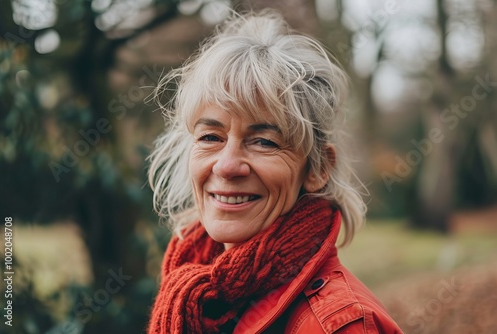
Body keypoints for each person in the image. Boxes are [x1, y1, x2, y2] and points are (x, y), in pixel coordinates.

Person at [146, 10, 403, 334]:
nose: (227, 166)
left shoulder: (338, 325)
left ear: (318, 167)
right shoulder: (195, 289)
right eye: (211, 137)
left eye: (264, 142)